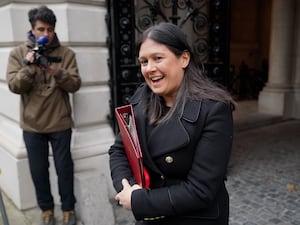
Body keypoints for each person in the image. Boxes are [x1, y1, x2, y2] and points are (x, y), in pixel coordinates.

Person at [109, 22, 236, 225]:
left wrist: (140, 201)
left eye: (158, 58)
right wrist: (129, 187)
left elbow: (201, 189)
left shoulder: (215, 109)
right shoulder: (141, 96)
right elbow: (119, 150)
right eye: (143, 61)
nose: (150, 69)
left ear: (184, 59)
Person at [6, 5, 81, 225]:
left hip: (60, 122)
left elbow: (75, 84)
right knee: (38, 172)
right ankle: (47, 210)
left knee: (64, 169)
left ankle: (69, 209)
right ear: (32, 29)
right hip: (32, 125)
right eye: (41, 29)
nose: (46, 34)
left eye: (50, 29)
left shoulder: (66, 54)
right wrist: (29, 69)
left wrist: (56, 71)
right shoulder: (18, 53)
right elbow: (13, 85)